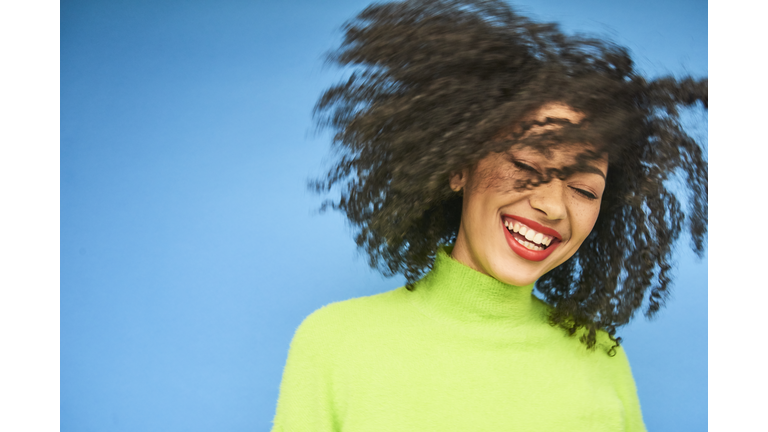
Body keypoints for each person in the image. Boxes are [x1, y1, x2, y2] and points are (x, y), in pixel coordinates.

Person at [272, 0, 707, 430]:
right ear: (459, 165)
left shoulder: (599, 356)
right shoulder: (335, 342)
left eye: (582, 189)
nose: (553, 207)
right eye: (526, 166)